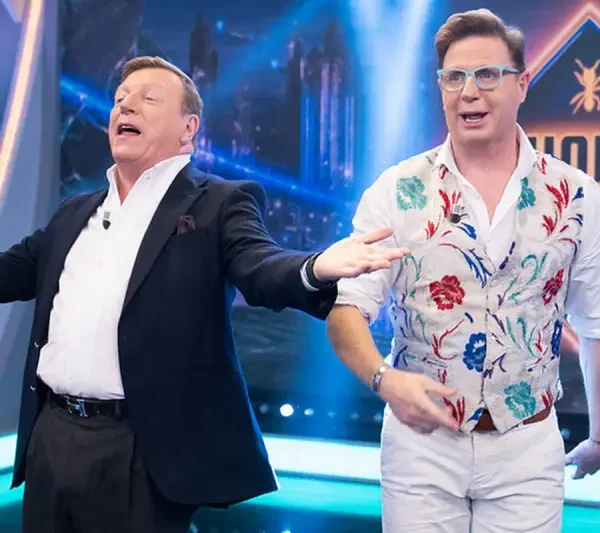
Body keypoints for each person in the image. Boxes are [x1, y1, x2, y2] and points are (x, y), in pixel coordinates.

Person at [2, 56, 408, 533]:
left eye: (148, 99)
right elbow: (10, 273)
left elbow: (259, 266)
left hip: (142, 450)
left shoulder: (218, 203)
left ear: (188, 128)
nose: (125, 106)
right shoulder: (75, 212)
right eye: (120, 99)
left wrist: (314, 267)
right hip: (52, 437)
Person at [327, 9, 600, 533]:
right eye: (454, 77)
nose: (469, 91)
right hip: (421, 448)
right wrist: (385, 380)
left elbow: (595, 324)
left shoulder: (577, 196)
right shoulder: (396, 190)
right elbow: (345, 311)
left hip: (527, 446)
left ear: (522, 83)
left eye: (487, 75)